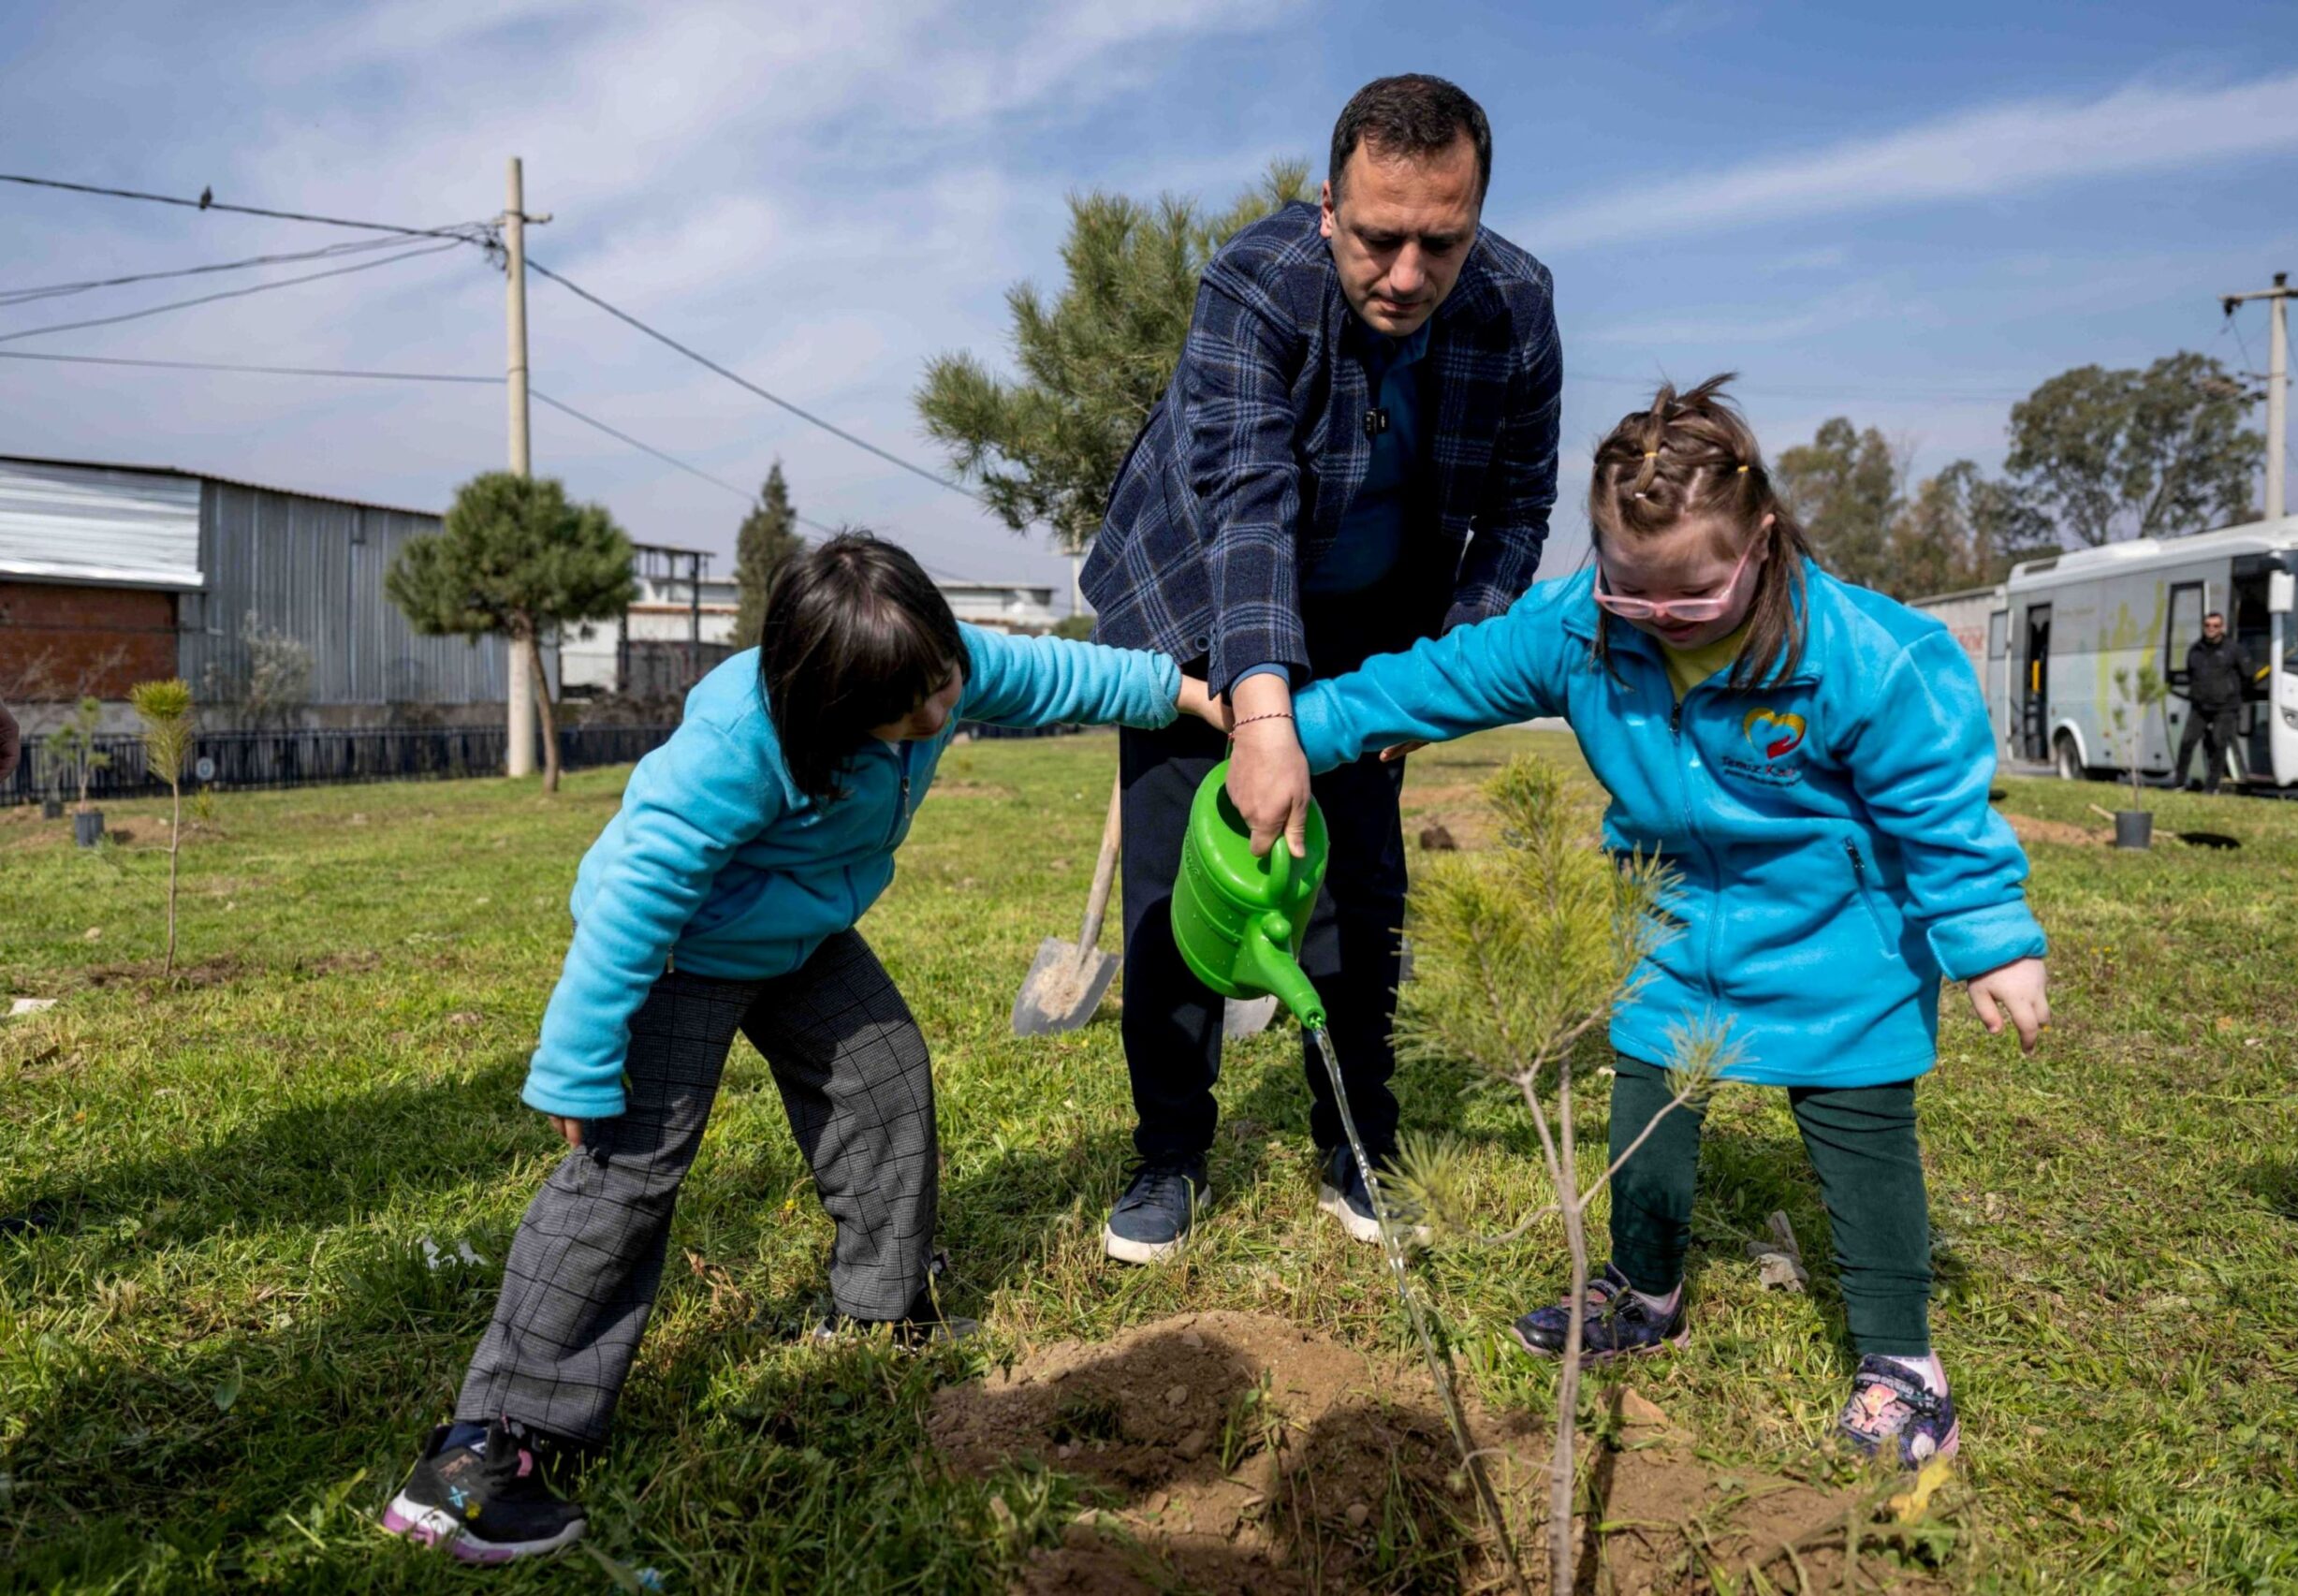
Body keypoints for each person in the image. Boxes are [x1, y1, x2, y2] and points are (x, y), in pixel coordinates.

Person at [380, 534, 1222, 1563]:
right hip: (685, 949)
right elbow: (640, 891)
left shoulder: (929, 660)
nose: (933, 717)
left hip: (798, 935)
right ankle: (483, 1449)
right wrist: (580, 1060)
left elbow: (1049, 672)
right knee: (626, 1173)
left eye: (940, 686)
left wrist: (1180, 692)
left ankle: (879, 1310)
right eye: (903, 708)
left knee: (882, 1076)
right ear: (821, 698)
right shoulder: (743, 732)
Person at [1287, 377, 2051, 1468]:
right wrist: (1292, 729)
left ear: (1762, 545)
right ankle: (1642, 1293)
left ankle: (1900, 1362)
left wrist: (1993, 939)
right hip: (1669, 914)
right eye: (1627, 590)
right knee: (1646, 1110)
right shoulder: (1581, 627)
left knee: (1860, 1139)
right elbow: (1442, 677)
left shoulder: (1869, 655)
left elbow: (1940, 809)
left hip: (1841, 934)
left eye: (1686, 600)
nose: (1653, 618)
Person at [1080, 73, 1562, 1264]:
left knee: (1357, 893)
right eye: (1379, 238)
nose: (1405, 273)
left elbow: (1515, 509)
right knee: (1182, 890)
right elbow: (1248, 506)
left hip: (1375, 636)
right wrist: (1260, 716)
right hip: (1200, 607)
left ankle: (1357, 1144)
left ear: (1477, 217)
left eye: (1439, 242)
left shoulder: (1517, 307)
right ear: (1331, 209)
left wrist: (1443, 672)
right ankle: (1169, 1153)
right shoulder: (1256, 283)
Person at [2168, 610, 2257, 793]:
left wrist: (2234, 695)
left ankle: (2212, 786)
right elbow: (2191, 674)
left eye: (2215, 626)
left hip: (2225, 706)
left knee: (2218, 743)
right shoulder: (2195, 649)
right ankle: (2179, 783)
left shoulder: (2233, 649)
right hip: (2200, 706)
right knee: (2187, 742)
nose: (2211, 629)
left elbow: (2248, 674)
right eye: (2208, 625)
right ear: (2203, 627)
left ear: (2221, 628)